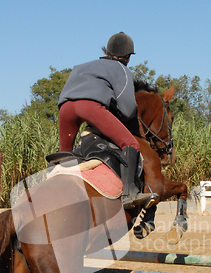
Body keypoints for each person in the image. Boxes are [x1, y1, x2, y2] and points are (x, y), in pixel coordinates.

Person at [58, 32, 154, 209]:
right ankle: (129, 194)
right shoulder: (121, 69)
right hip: (89, 107)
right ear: (127, 56)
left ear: (107, 50)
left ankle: (53, 189)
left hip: (65, 108)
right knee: (130, 144)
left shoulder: (81, 66)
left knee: (64, 156)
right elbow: (128, 109)